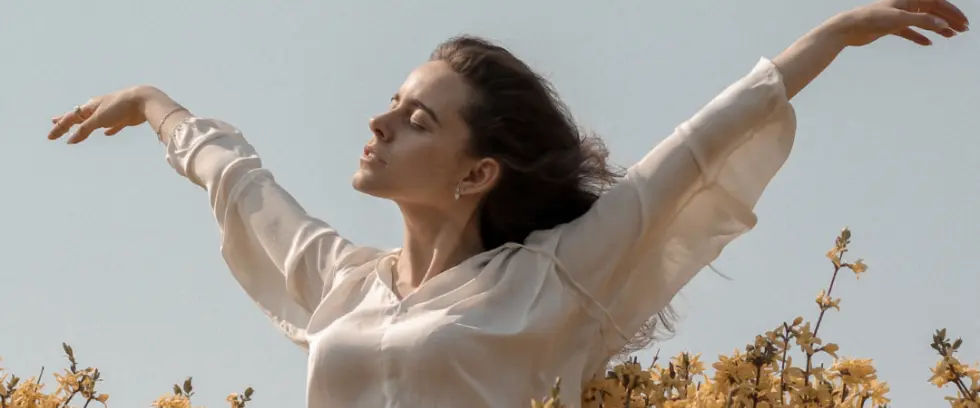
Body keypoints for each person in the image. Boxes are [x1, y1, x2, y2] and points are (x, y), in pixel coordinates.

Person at [46, 0, 967, 406]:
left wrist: (830, 38)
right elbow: (241, 185)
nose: (377, 121)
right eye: (390, 107)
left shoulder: (550, 279)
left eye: (413, 120)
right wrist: (154, 105)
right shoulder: (343, 284)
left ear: (477, 171)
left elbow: (689, 155)